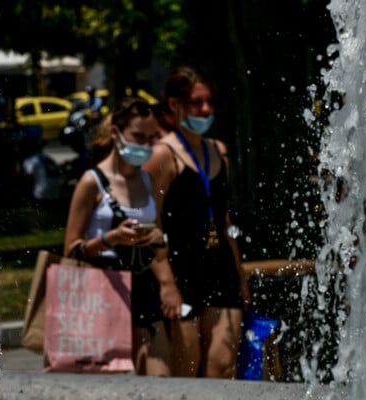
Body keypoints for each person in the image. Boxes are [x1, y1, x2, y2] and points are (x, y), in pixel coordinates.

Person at [143, 66, 251, 379]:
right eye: (196, 103)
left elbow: (224, 217)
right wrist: (166, 285)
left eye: (208, 102)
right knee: (187, 366)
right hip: (181, 270)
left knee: (222, 364)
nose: (205, 110)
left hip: (220, 268)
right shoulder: (163, 156)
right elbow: (150, 225)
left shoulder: (219, 151)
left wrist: (240, 275)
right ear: (175, 105)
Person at [63, 97, 176, 376]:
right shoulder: (92, 182)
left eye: (152, 138)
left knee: (161, 379)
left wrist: (159, 241)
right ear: (116, 133)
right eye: (138, 136)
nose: (145, 146)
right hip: (104, 290)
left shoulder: (148, 180)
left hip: (144, 286)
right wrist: (111, 238)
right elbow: (71, 251)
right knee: (112, 387)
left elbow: (160, 246)